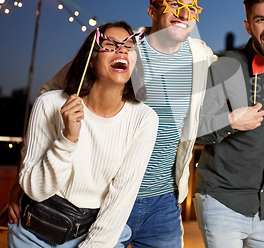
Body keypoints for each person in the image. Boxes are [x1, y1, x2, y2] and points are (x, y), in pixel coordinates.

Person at [9, 0, 216, 248]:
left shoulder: (201, 57)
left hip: (162, 200)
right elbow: (51, 95)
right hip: (103, 197)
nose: (183, 13)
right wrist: (26, 179)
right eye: (174, 4)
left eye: (191, 7)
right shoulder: (120, 51)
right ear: (152, 10)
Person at [8, 22, 159, 248]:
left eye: (129, 46)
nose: (123, 50)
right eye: (110, 45)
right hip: (34, 232)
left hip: (95, 234)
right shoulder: (48, 104)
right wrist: (67, 139)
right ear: (90, 58)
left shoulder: (144, 119)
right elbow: (36, 190)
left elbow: (121, 198)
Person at [194, 0, 264, 248]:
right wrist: (230, 122)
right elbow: (195, 128)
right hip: (221, 201)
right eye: (261, 20)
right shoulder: (226, 67)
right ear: (248, 26)